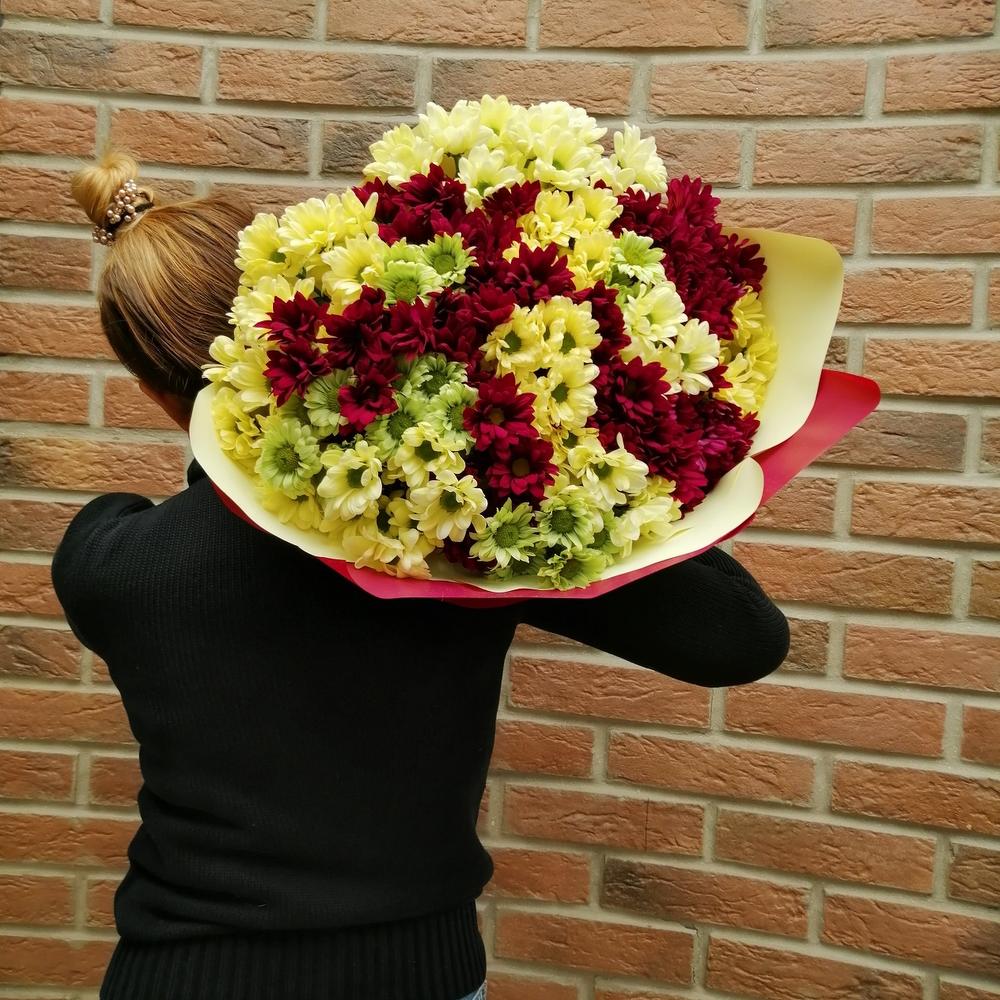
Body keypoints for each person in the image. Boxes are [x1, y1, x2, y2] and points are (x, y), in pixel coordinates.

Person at [51, 152, 791, 1000]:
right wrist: (569, 470)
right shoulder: (449, 527)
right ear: (305, 303)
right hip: (419, 976)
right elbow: (742, 639)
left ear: (149, 388)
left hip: (181, 976)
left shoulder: (109, 561)